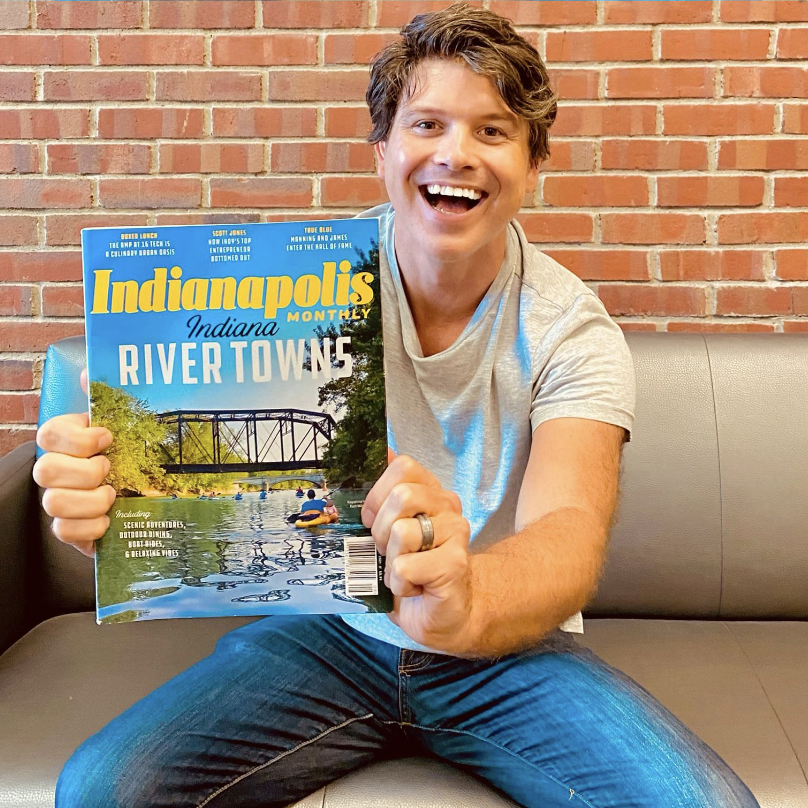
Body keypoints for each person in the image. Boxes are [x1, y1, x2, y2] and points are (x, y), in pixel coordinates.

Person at [33, 5, 760, 807]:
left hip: (506, 653)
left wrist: (469, 600)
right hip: (328, 633)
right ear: (383, 153)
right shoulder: (294, 296)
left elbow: (569, 533)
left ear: (533, 163)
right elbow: (216, 477)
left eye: (494, 131)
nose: (457, 153)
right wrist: (113, 493)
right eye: (427, 123)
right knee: (102, 789)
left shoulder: (573, 329)